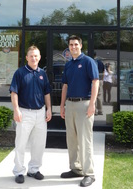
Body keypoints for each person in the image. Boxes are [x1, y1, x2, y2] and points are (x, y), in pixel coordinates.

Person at [60, 35, 99, 187]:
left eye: (76, 44)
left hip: (85, 104)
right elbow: (65, 86)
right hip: (70, 105)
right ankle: (76, 168)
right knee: (72, 139)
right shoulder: (68, 65)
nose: (73, 47)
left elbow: (96, 82)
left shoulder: (88, 61)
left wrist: (92, 104)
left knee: (85, 140)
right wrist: (62, 106)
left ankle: (89, 173)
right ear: (68, 47)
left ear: (81, 46)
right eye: (71, 44)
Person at [9, 45, 52, 184]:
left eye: (36, 56)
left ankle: (34, 169)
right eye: (31, 56)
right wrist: (16, 110)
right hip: (24, 113)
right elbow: (14, 92)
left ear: (39, 58)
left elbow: (47, 92)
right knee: (21, 143)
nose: (34, 58)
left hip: (40, 113)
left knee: (39, 144)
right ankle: (19, 171)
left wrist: (49, 109)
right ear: (27, 58)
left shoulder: (42, 73)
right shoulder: (20, 73)